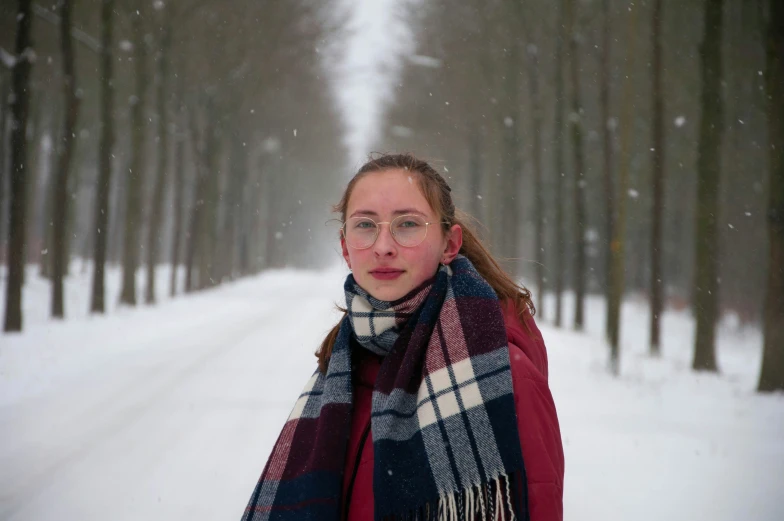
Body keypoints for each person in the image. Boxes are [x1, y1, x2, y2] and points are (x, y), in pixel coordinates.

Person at [241, 154, 564, 521]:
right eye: (365, 225)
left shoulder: (503, 376)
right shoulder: (338, 373)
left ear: (449, 244)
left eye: (407, 224)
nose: (383, 246)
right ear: (345, 247)